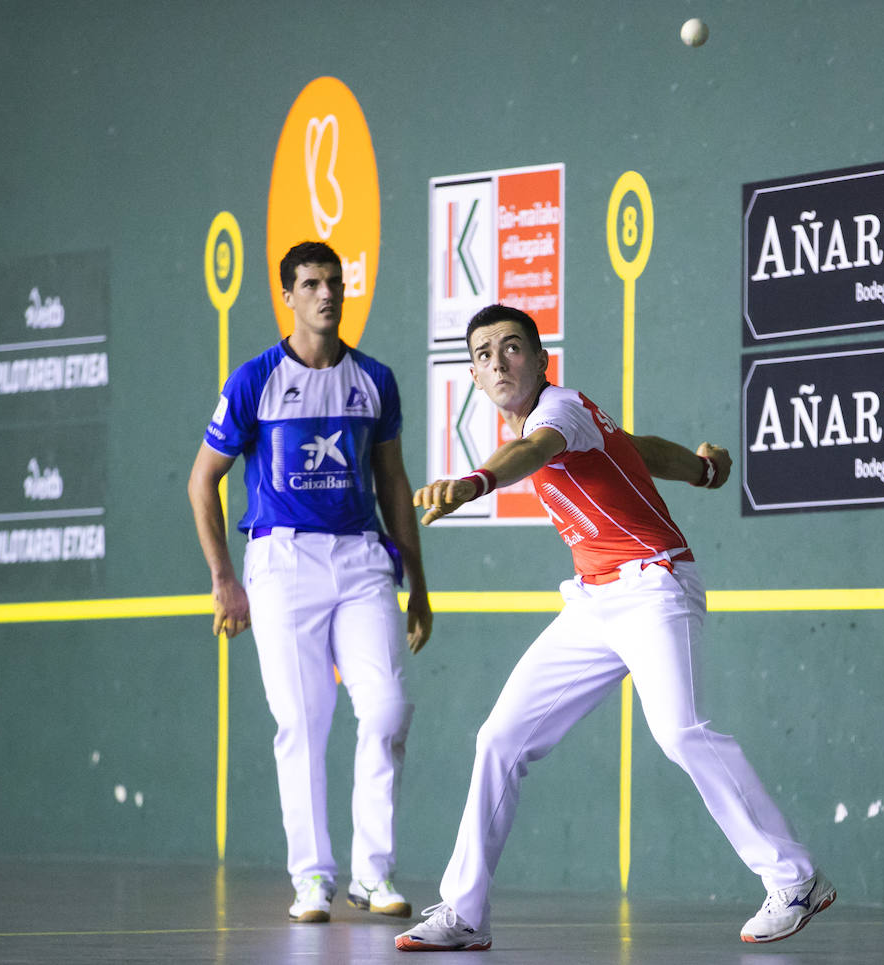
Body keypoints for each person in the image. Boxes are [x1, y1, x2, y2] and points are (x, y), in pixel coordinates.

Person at [395, 304, 833, 952]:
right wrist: (703, 469)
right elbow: (636, 447)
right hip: (595, 603)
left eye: (512, 346)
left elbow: (530, 451)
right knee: (499, 738)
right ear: (475, 376)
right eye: (484, 353)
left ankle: (795, 878)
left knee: (681, 730)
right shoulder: (579, 420)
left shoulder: (558, 411)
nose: (499, 361)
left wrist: (475, 482)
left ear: (541, 358)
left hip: (655, 583)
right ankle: (464, 912)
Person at [188, 241, 432, 924]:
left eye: (335, 281)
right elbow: (202, 479)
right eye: (311, 283)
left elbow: (392, 481)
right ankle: (312, 878)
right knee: (302, 721)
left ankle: (372, 874)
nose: (327, 293)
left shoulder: (374, 379)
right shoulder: (254, 380)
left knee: (384, 709)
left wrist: (419, 580)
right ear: (288, 296)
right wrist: (223, 581)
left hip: (360, 561)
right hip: (282, 564)